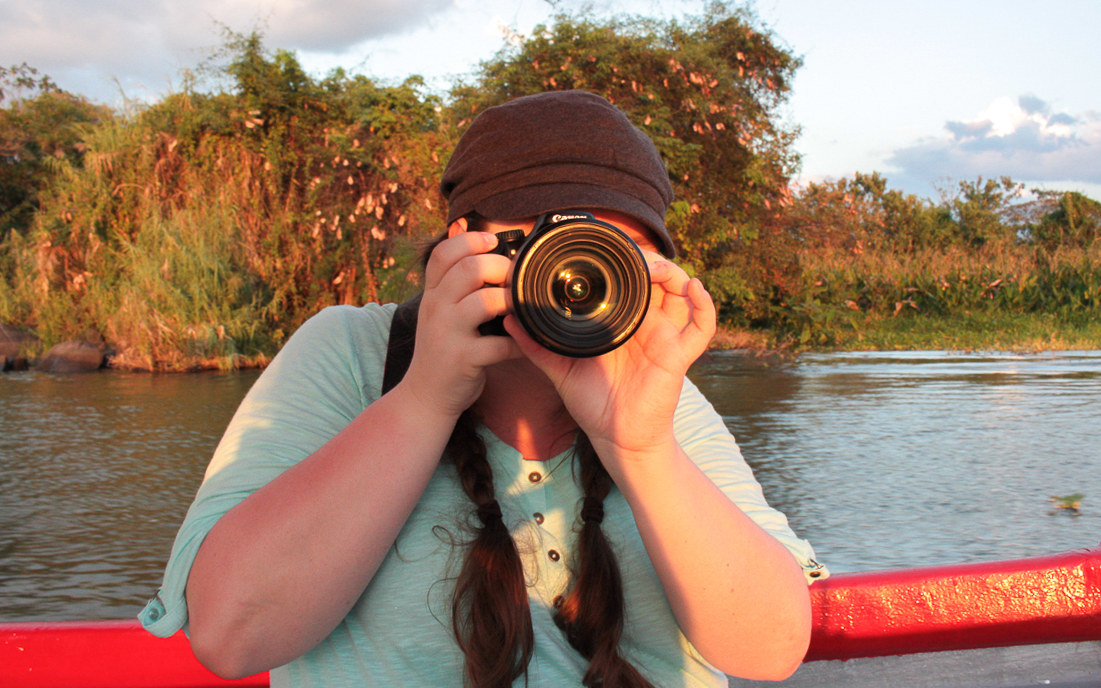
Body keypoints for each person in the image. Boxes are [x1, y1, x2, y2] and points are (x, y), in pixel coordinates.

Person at [140, 90, 827, 688]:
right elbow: (233, 637)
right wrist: (423, 399)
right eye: (538, 241)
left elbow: (767, 649)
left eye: (606, 252)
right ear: (459, 245)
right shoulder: (352, 353)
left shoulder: (657, 390)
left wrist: (639, 444)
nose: (570, 274)